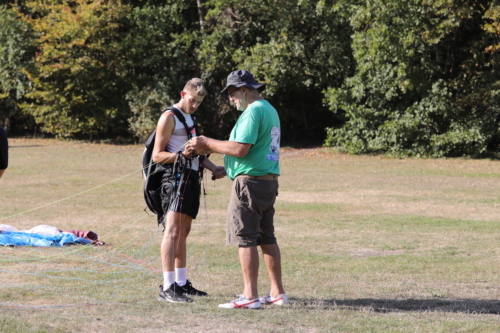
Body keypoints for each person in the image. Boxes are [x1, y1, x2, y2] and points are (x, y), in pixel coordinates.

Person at [186, 70, 287, 309]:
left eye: (232, 93)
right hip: (267, 181)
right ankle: (277, 293)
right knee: (266, 236)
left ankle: (249, 296)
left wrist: (206, 143)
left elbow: (240, 148)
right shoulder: (269, 109)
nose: (231, 99)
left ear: (244, 89)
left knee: (245, 237)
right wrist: (229, 169)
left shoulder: (253, 111)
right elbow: (254, 150)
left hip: (250, 184)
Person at [153, 78, 225, 303]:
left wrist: (213, 167)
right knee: (172, 232)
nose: (195, 105)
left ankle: (181, 282)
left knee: (183, 232)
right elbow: (157, 155)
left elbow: (195, 152)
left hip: (192, 179)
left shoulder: (190, 117)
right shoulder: (169, 117)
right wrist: (180, 157)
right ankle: (167, 287)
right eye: (193, 100)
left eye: (200, 102)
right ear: (183, 94)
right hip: (174, 179)